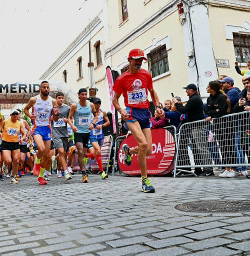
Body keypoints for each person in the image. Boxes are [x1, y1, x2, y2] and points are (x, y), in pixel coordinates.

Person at [112, 48, 162, 193]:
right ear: (129, 61)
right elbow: (115, 99)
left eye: (141, 60)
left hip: (145, 113)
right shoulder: (121, 79)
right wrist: (121, 110)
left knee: (148, 150)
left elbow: (152, 92)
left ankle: (129, 151)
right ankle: (145, 181)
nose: (139, 63)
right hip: (131, 113)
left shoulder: (146, 75)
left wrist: (158, 106)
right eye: (136, 60)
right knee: (143, 143)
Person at [174, 83, 213, 177]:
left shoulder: (194, 99)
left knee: (202, 147)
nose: (186, 91)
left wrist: (176, 103)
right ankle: (203, 168)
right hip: (195, 126)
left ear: (191, 90)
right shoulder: (194, 98)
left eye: (187, 89)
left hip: (198, 126)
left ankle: (208, 169)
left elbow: (184, 110)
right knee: (198, 148)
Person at [24, 80, 59, 185]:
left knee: (48, 156)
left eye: (48, 87)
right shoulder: (34, 99)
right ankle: (37, 163)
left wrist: (56, 114)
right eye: (44, 87)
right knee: (41, 149)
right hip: (37, 128)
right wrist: (30, 116)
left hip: (47, 128)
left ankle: (41, 176)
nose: (46, 89)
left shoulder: (53, 101)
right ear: (40, 89)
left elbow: (55, 119)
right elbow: (25, 109)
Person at [68, 88, 98, 183]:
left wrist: (93, 123)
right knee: (81, 152)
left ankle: (74, 150)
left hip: (87, 132)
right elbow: (69, 118)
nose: (84, 96)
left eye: (86, 94)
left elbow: (96, 115)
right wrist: (73, 126)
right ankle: (84, 174)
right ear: (79, 95)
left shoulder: (91, 105)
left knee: (84, 154)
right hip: (78, 132)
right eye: (82, 95)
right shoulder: (74, 106)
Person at [51, 92, 73, 181]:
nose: (60, 99)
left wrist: (67, 120)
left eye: (62, 98)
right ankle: (66, 172)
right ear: (56, 99)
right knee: (61, 151)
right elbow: (48, 119)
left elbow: (71, 119)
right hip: (55, 133)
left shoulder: (67, 108)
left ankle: (54, 158)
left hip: (64, 133)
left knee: (63, 154)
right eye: (59, 98)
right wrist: (52, 118)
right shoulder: (52, 108)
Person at [89, 98, 110, 179]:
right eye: (93, 104)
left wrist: (102, 126)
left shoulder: (102, 112)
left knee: (96, 155)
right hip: (92, 135)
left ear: (99, 105)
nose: (94, 105)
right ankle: (102, 172)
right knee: (98, 150)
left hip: (100, 135)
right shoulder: (89, 113)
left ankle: (87, 156)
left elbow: (108, 122)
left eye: (96, 104)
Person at [1, 111, 25, 184]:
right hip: (6, 143)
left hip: (15, 143)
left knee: (17, 160)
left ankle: (13, 176)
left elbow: (24, 134)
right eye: (13, 114)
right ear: (10, 115)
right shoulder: (5, 122)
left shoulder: (19, 123)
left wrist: (22, 138)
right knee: (8, 161)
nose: (15, 115)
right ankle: (5, 166)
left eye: (16, 114)